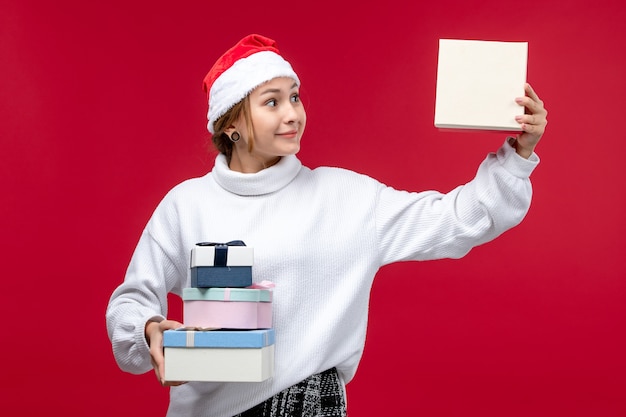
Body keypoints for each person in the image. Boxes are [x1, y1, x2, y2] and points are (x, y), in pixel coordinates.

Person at [106, 33, 547, 417]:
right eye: (272, 102)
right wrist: (149, 330)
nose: (293, 113)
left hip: (312, 404)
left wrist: (518, 155)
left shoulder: (346, 197)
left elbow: (456, 220)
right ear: (233, 124)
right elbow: (130, 301)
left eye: (294, 96)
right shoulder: (187, 205)